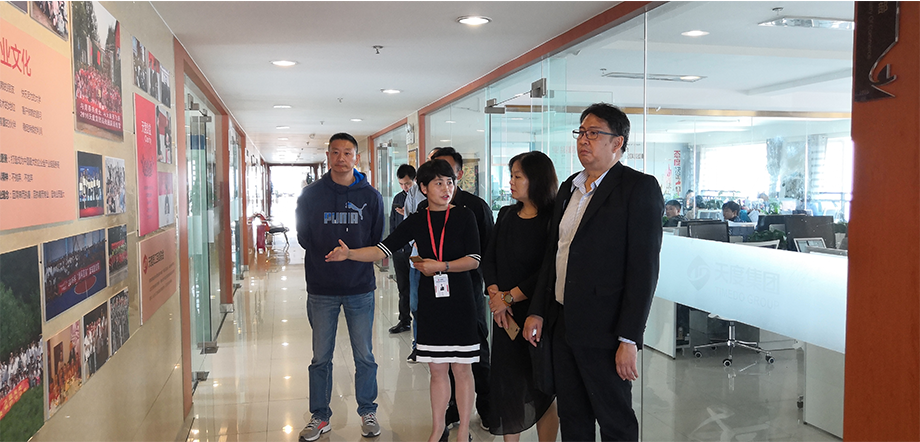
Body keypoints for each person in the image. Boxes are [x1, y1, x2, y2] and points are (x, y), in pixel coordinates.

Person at [523, 103, 664, 441]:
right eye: (581, 132)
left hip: (606, 330)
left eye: (594, 133)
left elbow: (643, 270)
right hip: (563, 324)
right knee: (573, 417)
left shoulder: (638, 188)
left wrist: (628, 339)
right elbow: (554, 255)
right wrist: (538, 310)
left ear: (617, 142)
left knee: (615, 420)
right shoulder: (569, 188)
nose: (584, 140)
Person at [326, 159, 482, 442]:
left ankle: (462, 432)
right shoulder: (418, 220)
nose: (446, 189)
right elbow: (381, 249)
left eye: (450, 182)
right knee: (437, 370)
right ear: (423, 188)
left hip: (461, 302)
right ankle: (438, 429)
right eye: (438, 183)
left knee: (462, 369)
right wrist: (350, 254)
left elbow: (474, 259)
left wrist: (441, 266)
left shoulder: (464, 216)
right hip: (431, 303)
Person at [295, 133, 384, 441]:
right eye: (335, 152)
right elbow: (304, 236)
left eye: (347, 152)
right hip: (321, 287)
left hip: (360, 286)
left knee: (365, 355)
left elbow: (376, 239)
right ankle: (320, 416)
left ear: (356, 157)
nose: (341, 158)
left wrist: (351, 255)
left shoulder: (371, 196)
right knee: (321, 357)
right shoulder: (311, 195)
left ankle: (368, 410)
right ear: (328, 156)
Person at [483, 151, 559, 441]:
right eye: (511, 175)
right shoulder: (505, 214)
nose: (511, 182)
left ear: (536, 179)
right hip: (505, 317)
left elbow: (547, 270)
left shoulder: (552, 219)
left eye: (518, 176)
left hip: (537, 313)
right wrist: (496, 297)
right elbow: (489, 258)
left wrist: (508, 298)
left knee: (542, 388)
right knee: (508, 386)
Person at [422, 147, 494, 433]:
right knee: (443, 357)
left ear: (459, 175)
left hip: (468, 291)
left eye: (447, 175)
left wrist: (491, 288)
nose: (442, 182)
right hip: (437, 294)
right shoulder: (425, 209)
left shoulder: (474, 208)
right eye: (436, 176)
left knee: (475, 353)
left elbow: (487, 252)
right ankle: (451, 411)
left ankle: (487, 408)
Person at [388, 164, 416, 334]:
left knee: (417, 288)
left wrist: (408, 212)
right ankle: (404, 320)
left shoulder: (421, 197)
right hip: (400, 251)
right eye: (401, 184)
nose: (405, 187)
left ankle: (421, 321)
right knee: (403, 287)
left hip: (415, 251)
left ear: (414, 180)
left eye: (407, 183)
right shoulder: (398, 198)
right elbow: (392, 223)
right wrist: (393, 247)